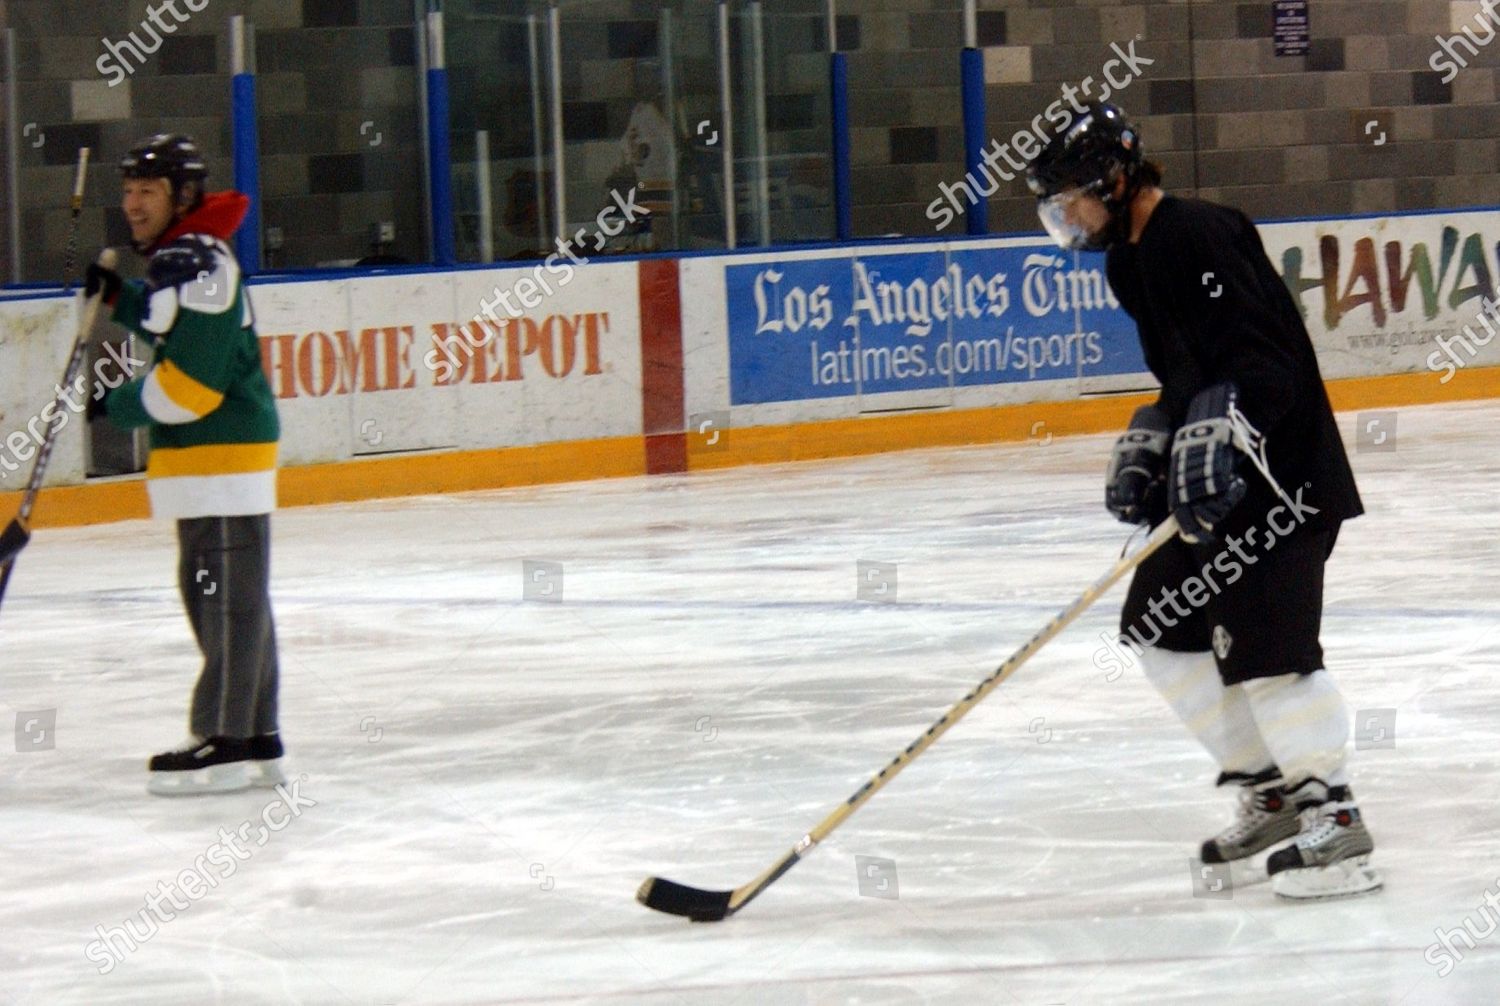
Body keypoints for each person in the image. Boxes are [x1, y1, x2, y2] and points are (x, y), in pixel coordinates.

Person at [1024, 104, 1380, 900]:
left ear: (1116, 180)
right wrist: (1159, 435)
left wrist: (1229, 433)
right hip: (1212, 490)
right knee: (1160, 628)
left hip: (1280, 487)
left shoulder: (1201, 233)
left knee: (1268, 655)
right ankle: (1275, 792)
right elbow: (1189, 373)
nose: (1069, 218)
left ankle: (1339, 818)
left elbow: (1270, 367)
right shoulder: (1128, 265)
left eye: (1073, 198)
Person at [85, 133, 286, 796]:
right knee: (231, 599)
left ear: (183, 196)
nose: (132, 204)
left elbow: (191, 386)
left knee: (225, 601)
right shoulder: (186, 257)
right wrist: (121, 301)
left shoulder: (199, 261)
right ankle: (255, 733)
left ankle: (225, 740)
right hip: (211, 463)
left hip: (219, 457)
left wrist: (114, 406)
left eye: (147, 191)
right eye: (128, 190)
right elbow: (177, 330)